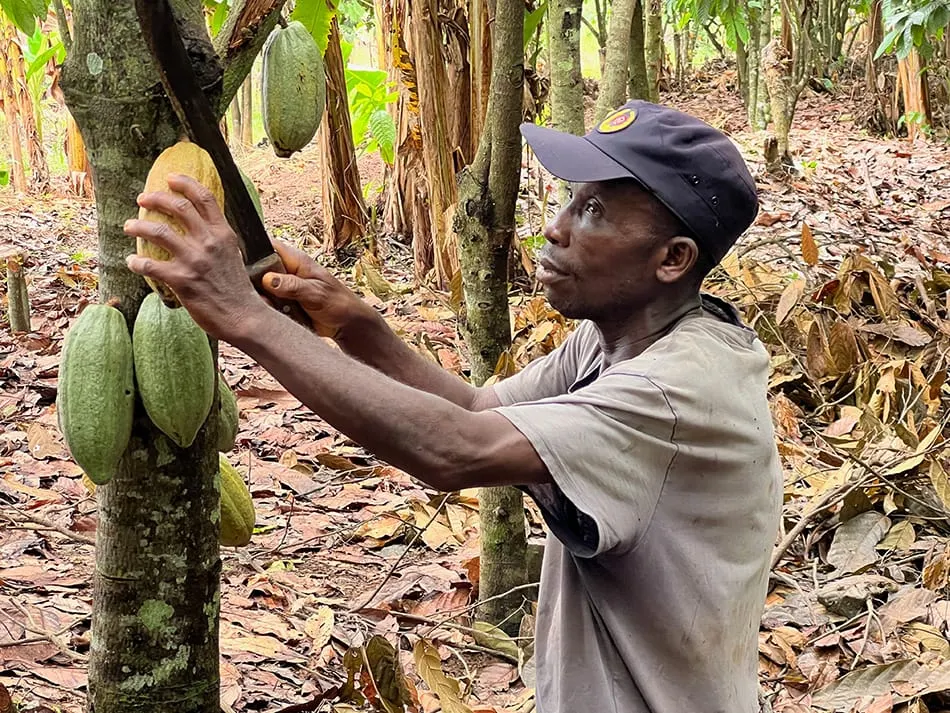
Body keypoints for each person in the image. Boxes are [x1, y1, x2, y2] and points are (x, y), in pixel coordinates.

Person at [124, 99, 782, 713]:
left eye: (596, 213)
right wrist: (353, 322)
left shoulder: (678, 388)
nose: (554, 228)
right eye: (571, 201)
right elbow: (475, 406)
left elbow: (455, 448)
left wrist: (246, 318)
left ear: (673, 259)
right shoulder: (619, 336)